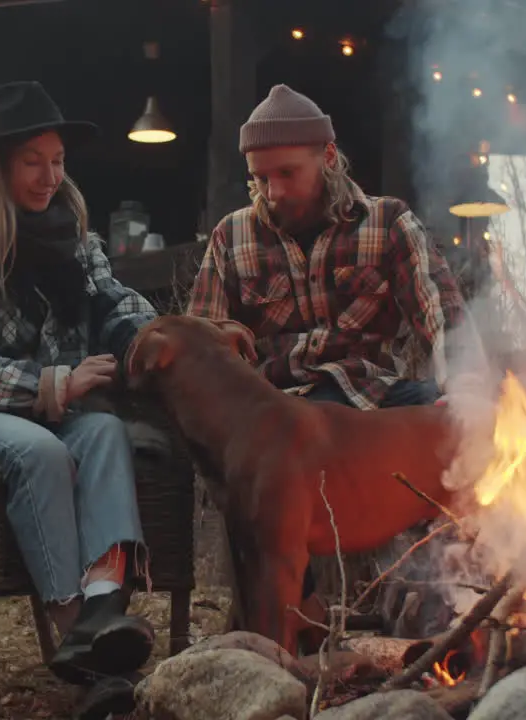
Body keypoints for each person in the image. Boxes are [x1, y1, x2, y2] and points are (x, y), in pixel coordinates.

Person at [186, 84, 483, 644]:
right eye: (260, 178)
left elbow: (444, 315)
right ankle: (298, 613)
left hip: (376, 399)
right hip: (283, 415)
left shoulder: (389, 222)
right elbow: (201, 350)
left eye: (285, 174)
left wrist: (467, 388)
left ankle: (453, 605)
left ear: (327, 157)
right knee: (269, 463)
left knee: (460, 435)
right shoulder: (232, 237)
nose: (271, 191)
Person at [0, 81, 157, 693]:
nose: (50, 177)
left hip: (65, 406)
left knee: (104, 432)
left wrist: (154, 340)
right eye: (32, 162)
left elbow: (117, 307)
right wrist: (52, 384)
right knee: (42, 452)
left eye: (58, 160)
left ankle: (101, 610)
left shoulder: (78, 242)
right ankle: (82, 644)